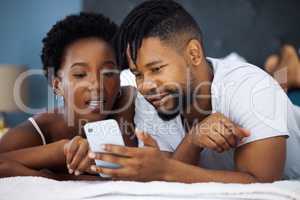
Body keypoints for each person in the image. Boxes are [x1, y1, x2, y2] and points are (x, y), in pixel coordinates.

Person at [0, 12, 245, 180]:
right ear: (56, 85)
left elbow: (147, 172)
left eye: (109, 72)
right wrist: (59, 152)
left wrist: (193, 139)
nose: (97, 85)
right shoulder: (39, 128)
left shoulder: (126, 102)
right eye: (80, 74)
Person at [89, 0, 300, 183]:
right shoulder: (152, 100)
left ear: (194, 53)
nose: (144, 86)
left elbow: (262, 184)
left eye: (156, 69)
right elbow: (170, 174)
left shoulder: (254, 88)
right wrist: (192, 140)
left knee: (281, 91)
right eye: (138, 74)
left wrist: (165, 169)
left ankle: (286, 65)